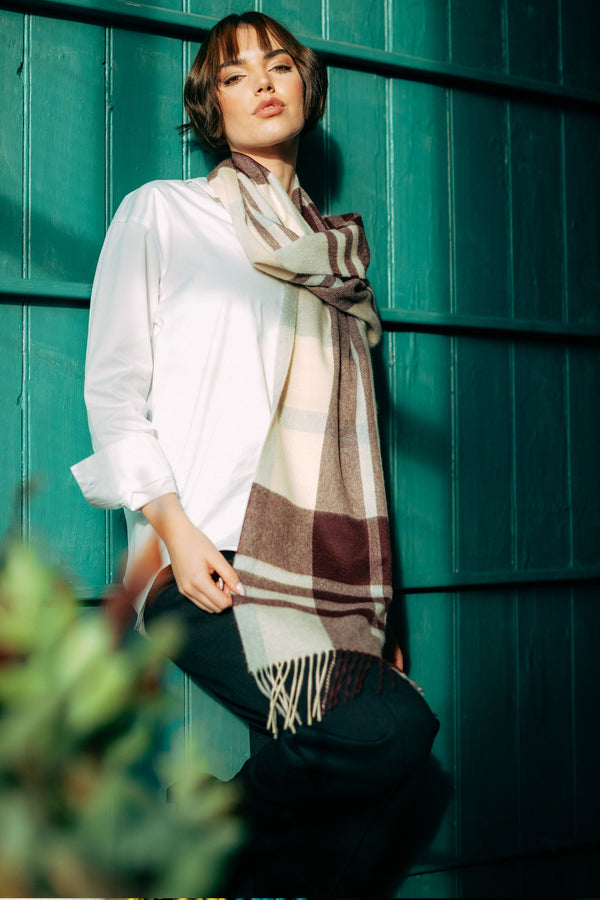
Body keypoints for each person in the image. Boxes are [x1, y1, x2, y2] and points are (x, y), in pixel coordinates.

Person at [71, 11, 439, 895]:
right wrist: (172, 525)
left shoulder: (336, 261)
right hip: (205, 560)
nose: (262, 81)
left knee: (378, 795)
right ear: (212, 107)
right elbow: (113, 391)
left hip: (322, 572)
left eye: (279, 65)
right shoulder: (164, 214)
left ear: (307, 93)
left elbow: (360, 453)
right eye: (234, 74)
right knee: (394, 735)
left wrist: (375, 614)